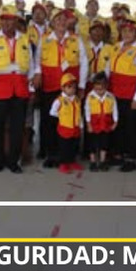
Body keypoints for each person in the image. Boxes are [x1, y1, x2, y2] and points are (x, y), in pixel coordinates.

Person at [0, 5, 39, 173]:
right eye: (4, 20)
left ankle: (14, 161)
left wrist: (32, 89)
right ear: (0, 21)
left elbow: (31, 66)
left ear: (16, 21)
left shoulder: (25, 39)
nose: (7, 23)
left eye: (10, 20)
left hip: (20, 87)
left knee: (17, 128)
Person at [38, 9, 86, 167]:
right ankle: (50, 152)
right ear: (51, 22)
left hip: (70, 87)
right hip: (50, 85)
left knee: (70, 120)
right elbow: (37, 60)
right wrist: (38, 74)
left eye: (64, 19)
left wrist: (82, 85)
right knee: (50, 120)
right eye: (57, 19)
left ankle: (68, 155)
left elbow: (84, 62)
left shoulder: (76, 39)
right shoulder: (44, 39)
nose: (61, 22)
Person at [106, 15, 136, 172]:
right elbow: (109, 67)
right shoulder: (116, 47)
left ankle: (130, 158)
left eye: (130, 31)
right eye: (124, 31)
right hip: (115, 93)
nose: (127, 34)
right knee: (118, 125)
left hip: (130, 95)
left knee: (131, 127)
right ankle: (117, 155)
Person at [51, 73, 83, 174]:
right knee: (64, 147)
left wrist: (80, 125)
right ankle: (63, 164)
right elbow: (52, 112)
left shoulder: (77, 99)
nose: (72, 89)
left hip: (75, 128)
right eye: (69, 87)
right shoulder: (59, 100)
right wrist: (62, 118)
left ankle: (72, 161)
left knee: (73, 146)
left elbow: (79, 113)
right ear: (63, 88)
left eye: (74, 87)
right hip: (65, 128)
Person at [85, 72, 117, 171]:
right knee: (93, 143)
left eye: (102, 89)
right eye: (97, 89)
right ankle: (93, 161)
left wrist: (115, 122)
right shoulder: (90, 97)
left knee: (104, 143)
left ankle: (103, 161)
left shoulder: (110, 96)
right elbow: (87, 111)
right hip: (94, 124)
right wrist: (88, 124)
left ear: (106, 86)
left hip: (106, 124)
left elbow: (115, 109)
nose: (99, 91)